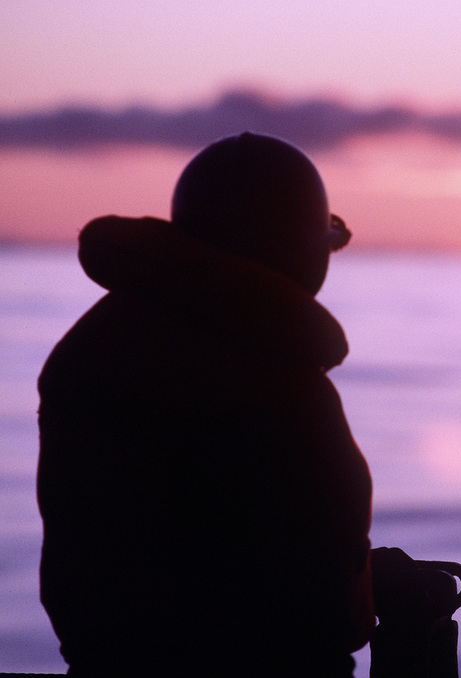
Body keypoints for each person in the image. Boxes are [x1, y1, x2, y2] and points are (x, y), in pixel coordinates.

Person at [37, 132, 373, 676]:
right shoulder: (270, 374)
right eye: (329, 237)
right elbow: (304, 597)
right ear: (304, 247)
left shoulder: (103, 343)